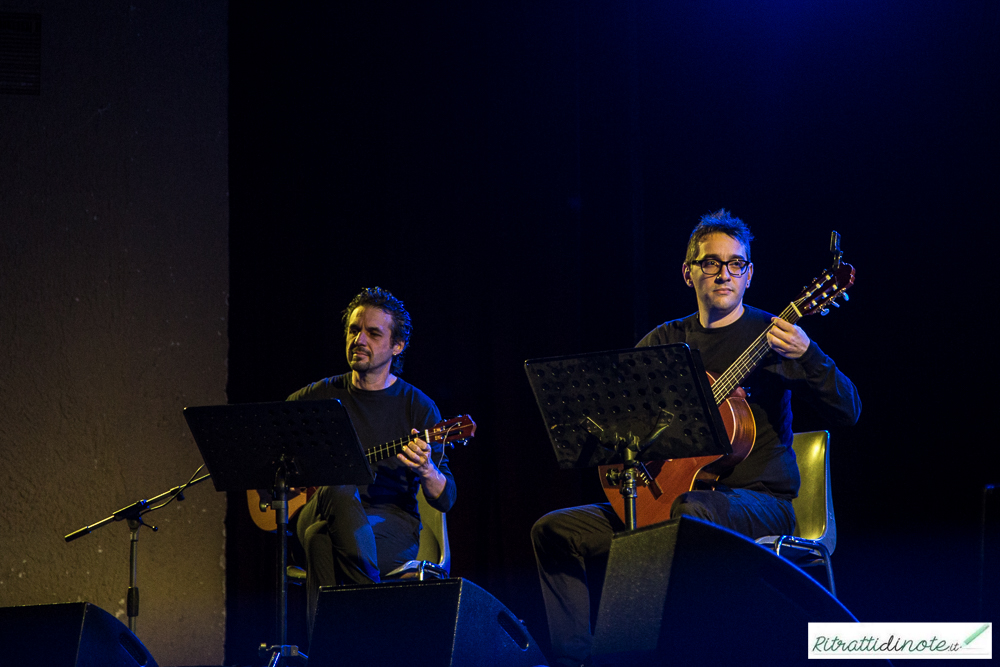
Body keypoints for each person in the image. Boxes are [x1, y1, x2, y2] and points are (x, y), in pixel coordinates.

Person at [530, 210, 861, 667]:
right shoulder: (665, 342)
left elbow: (849, 409)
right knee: (554, 530)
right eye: (711, 263)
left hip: (758, 502)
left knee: (691, 514)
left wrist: (810, 354)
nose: (724, 273)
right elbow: (618, 422)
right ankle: (579, 661)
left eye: (736, 264)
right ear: (689, 273)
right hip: (667, 498)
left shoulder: (776, 336)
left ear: (749, 274)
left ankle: (661, 654)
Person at [289, 286, 457, 632]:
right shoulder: (321, 395)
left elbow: (446, 496)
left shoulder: (418, 407)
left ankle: (331, 654)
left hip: (391, 521)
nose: (359, 339)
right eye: (354, 330)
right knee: (336, 489)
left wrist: (426, 470)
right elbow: (272, 432)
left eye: (373, 333)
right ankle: (374, 624)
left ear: (397, 346)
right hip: (318, 505)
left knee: (320, 539)